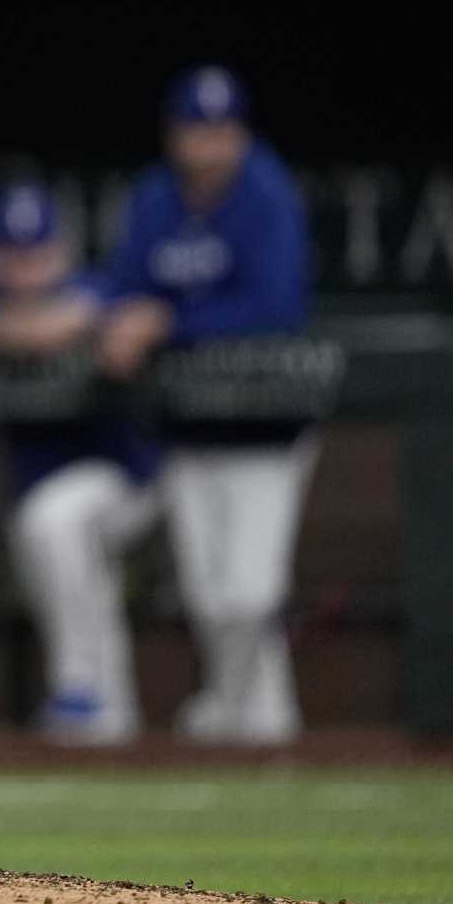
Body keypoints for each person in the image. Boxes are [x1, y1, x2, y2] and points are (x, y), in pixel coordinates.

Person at [97, 66, 313, 745]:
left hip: (267, 428)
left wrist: (167, 322)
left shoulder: (267, 192)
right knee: (210, 598)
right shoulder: (156, 198)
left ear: (241, 133)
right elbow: (123, 289)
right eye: (197, 130)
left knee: (250, 593)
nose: (210, 146)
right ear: (175, 136)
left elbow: (277, 307)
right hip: (188, 428)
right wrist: (126, 318)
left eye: (223, 130)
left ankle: (229, 707)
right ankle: (259, 722)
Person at [0, 181, 160, 746]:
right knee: (65, 556)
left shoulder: (92, 291)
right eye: (14, 255)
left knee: (54, 521)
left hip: (124, 480)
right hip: (40, 493)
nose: (28, 269)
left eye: (38, 253)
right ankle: (111, 717)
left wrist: (17, 329)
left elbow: (112, 314)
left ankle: (79, 687)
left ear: (60, 249)